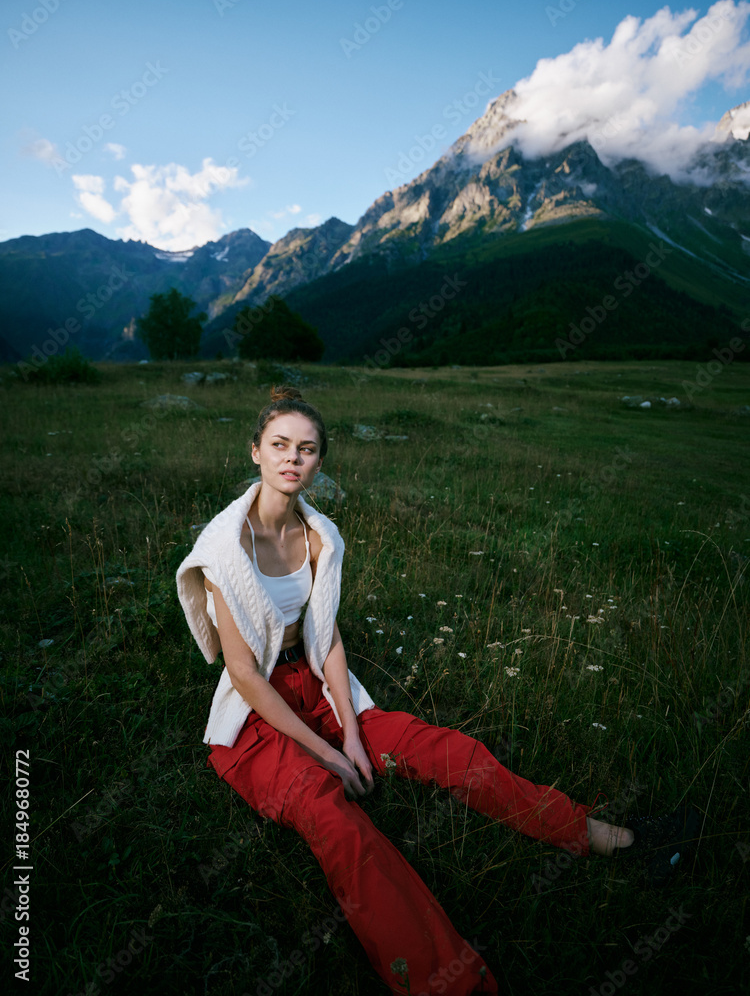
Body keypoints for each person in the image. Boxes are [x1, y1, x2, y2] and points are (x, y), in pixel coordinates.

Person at [176, 385, 696, 996]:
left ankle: (600, 835)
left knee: (450, 750)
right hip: (258, 717)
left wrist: (350, 732)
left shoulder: (321, 538)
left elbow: (329, 639)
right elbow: (244, 677)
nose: (293, 458)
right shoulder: (222, 551)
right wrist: (329, 757)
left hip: (317, 686)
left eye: (308, 449)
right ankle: (447, 986)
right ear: (256, 453)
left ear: (320, 461)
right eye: (280, 445)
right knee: (335, 820)